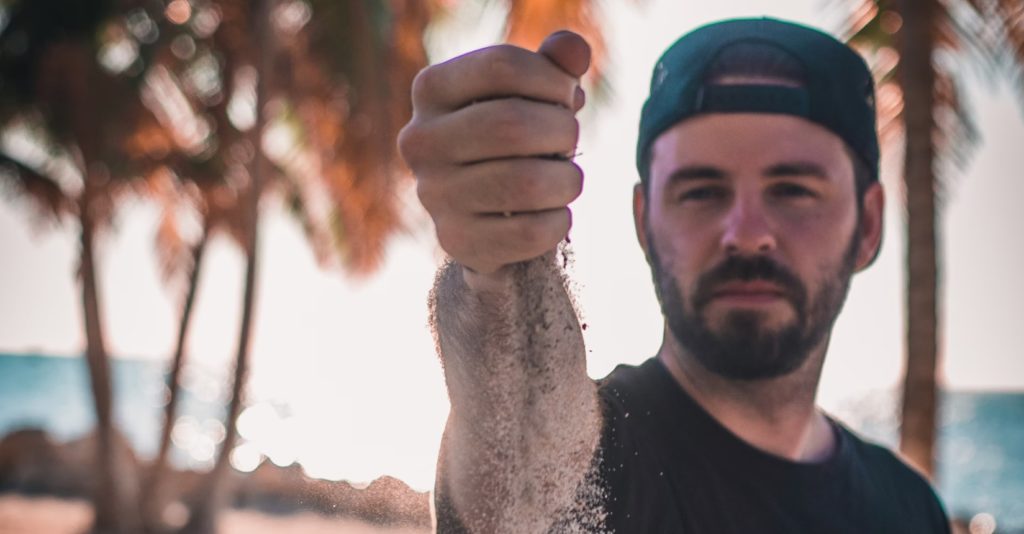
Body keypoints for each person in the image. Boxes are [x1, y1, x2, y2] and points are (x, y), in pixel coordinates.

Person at [398, 17, 951, 534]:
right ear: (644, 221)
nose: (746, 234)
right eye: (702, 191)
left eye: (793, 190)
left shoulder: (911, 508)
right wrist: (495, 262)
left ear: (868, 224)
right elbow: (514, 448)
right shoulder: (588, 460)